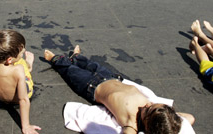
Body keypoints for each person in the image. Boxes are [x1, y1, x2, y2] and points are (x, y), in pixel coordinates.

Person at [44, 46, 196, 134]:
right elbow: (189, 118)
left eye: (148, 110)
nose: (148, 104)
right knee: (92, 65)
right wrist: (170, 121)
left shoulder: (131, 123)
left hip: (92, 86)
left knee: (71, 71)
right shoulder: (158, 115)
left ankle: (56, 60)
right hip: (112, 78)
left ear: (147, 126)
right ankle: (77, 57)